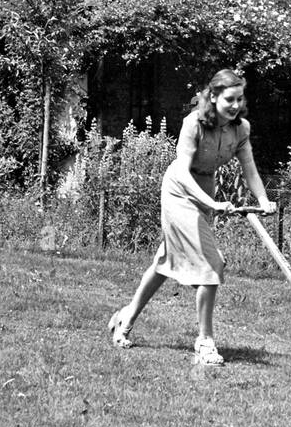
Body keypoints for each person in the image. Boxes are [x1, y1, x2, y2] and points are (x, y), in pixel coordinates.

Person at [107, 68, 276, 365]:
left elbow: (249, 168)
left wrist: (264, 200)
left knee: (165, 261)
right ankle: (205, 341)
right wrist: (211, 202)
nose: (235, 105)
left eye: (239, 99)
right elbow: (182, 172)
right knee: (211, 264)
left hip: (204, 186)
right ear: (213, 97)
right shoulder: (193, 123)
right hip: (179, 192)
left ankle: (126, 317)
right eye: (229, 99)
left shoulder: (241, 129)